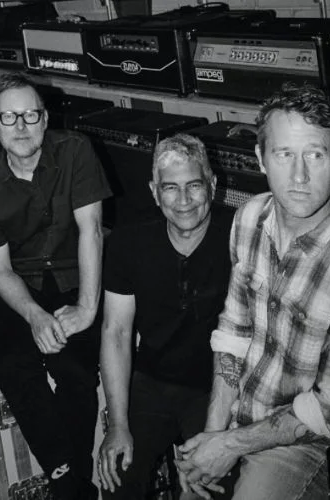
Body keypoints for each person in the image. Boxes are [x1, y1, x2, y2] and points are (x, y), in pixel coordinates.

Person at [174, 82, 330, 499]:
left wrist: (229, 445)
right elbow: (234, 332)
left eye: (315, 155)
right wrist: (212, 436)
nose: (299, 176)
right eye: (283, 154)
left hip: (317, 440)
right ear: (261, 158)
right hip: (249, 408)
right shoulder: (249, 218)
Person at [0, 72, 112, 500]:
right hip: (24, 282)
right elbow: (0, 271)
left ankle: (69, 484)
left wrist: (87, 308)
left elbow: (92, 232)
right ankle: (68, 479)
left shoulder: (76, 150)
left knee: (74, 370)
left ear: (45, 118)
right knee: (13, 367)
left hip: (77, 274)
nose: (20, 126)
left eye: (30, 115)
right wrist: (34, 316)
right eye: (9, 117)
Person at [95, 134, 233, 500]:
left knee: (209, 489)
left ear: (212, 185)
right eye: (171, 188)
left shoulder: (240, 236)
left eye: (194, 186)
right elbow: (116, 332)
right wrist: (117, 424)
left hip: (219, 387)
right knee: (116, 475)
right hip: (152, 381)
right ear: (155, 192)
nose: (184, 200)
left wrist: (218, 437)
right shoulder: (128, 241)